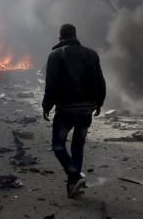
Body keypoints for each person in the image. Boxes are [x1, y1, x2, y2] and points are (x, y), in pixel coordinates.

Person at [42, 24, 106, 198]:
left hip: (66, 109)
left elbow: (52, 84)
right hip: (87, 110)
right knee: (78, 145)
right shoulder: (91, 54)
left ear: (60, 38)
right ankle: (73, 183)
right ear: (76, 35)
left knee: (57, 144)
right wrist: (99, 103)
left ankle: (74, 176)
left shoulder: (55, 55)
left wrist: (46, 106)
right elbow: (100, 80)